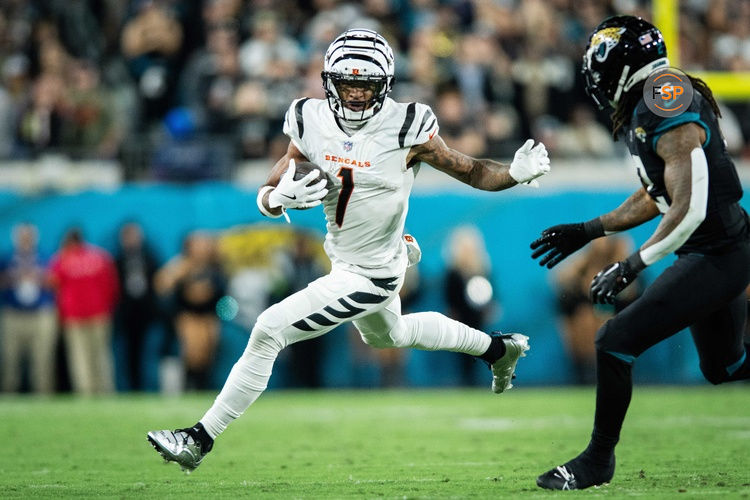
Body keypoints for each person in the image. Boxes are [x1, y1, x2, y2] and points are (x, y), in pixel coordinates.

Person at [147, 29, 549, 472]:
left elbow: (471, 170)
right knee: (388, 335)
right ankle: (496, 350)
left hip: (371, 273)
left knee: (269, 328)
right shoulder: (308, 119)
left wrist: (513, 172)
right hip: (350, 259)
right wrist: (277, 199)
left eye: (367, 85)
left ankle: (198, 439)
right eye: (348, 83)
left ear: (386, 86)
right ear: (328, 82)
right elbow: (269, 187)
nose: (357, 95)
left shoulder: (407, 125)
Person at [531, 16, 750, 490]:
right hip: (713, 249)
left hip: (718, 251)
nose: (595, 81)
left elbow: (687, 208)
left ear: (622, 64)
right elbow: (659, 195)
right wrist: (589, 229)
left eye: (599, 69)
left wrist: (633, 262)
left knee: (615, 340)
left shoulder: (664, 96)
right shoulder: (648, 105)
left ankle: (597, 460)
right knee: (725, 366)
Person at [49, 227, 119, 395]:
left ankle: (85, 392)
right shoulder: (100, 257)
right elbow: (113, 287)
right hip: (99, 314)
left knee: (80, 357)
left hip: (74, 315)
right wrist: (107, 309)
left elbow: (53, 286)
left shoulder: (62, 258)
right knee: (101, 355)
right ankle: (105, 391)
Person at [0, 223, 57, 393]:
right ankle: (8, 397)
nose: (25, 239)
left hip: (41, 313)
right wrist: (14, 277)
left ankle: (43, 396)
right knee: (10, 359)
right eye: (22, 236)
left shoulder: (46, 257)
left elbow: (56, 281)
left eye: (28, 236)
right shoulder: (7, 258)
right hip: (13, 314)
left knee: (43, 359)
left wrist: (38, 276)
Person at [114, 222, 158, 391]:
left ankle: (145, 388)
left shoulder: (150, 257)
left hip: (146, 314)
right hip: (126, 315)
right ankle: (130, 388)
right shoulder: (118, 260)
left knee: (146, 355)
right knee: (128, 355)